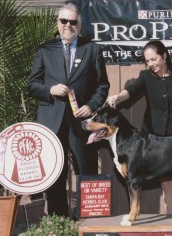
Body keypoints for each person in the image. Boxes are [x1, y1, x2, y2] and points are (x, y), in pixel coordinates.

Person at [27, 3, 110, 217]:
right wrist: (50, 89)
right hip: (52, 122)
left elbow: (102, 85)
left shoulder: (92, 49)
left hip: (81, 123)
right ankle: (58, 220)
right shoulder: (44, 49)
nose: (68, 25)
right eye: (64, 21)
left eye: (73, 22)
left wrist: (91, 105)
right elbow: (32, 85)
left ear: (80, 25)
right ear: (58, 22)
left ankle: (89, 219)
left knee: (87, 168)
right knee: (55, 173)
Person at [107, 40, 172, 214]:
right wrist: (118, 98)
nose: (150, 64)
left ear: (164, 56)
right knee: (167, 185)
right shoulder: (146, 76)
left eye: (153, 59)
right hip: (155, 139)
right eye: (147, 61)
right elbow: (131, 90)